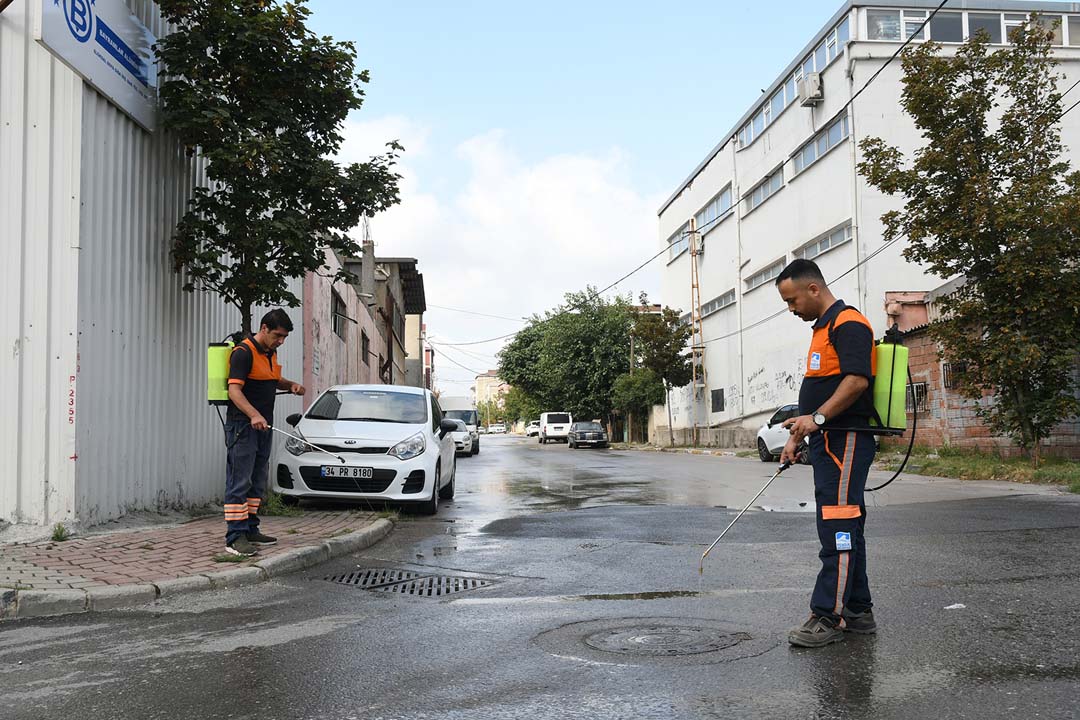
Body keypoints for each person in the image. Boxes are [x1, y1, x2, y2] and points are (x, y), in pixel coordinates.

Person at [775, 259, 878, 648]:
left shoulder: (848, 323)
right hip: (827, 440)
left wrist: (817, 418)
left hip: (846, 439)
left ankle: (827, 616)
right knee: (844, 524)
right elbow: (820, 391)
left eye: (792, 300)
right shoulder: (822, 329)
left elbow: (856, 381)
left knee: (838, 525)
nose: (791, 309)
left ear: (813, 289)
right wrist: (798, 436)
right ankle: (857, 610)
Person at [223, 309, 305, 557]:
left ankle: (250, 528)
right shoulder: (243, 352)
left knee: (257, 480)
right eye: (278, 335)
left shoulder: (270, 352)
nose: (281, 341)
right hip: (243, 426)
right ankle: (235, 537)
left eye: (285, 337)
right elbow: (234, 391)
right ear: (264, 328)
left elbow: (271, 378)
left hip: (263, 426)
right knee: (240, 480)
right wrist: (253, 415)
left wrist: (290, 385)